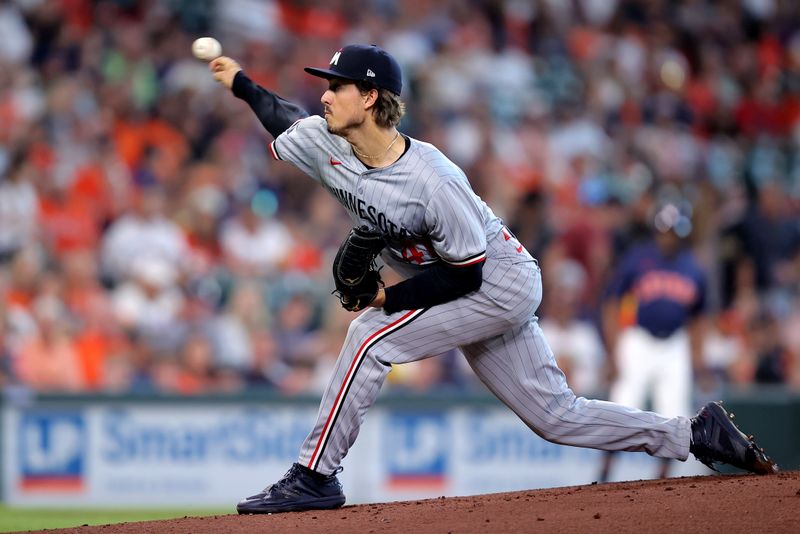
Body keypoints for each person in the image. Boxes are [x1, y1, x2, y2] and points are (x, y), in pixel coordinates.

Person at [207, 44, 776, 515]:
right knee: (556, 416)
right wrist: (239, 82)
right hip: (461, 281)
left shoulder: (432, 179)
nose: (325, 94)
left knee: (368, 337)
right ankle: (696, 435)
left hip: (495, 280)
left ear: (372, 97)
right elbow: (281, 115)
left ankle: (315, 475)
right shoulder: (328, 142)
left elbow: (464, 274)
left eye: (338, 85)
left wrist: (386, 296)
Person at [599, 201, 707, 481]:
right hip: (639, 341)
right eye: (665, 230)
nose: (669, 236)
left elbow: (698, 317)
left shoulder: (693, 266)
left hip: (674, 345)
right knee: (622, 407)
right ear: (657, 230)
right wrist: (612, 352)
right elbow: (611, 304)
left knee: (676, 417)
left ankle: (663, 480)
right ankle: (605, 473)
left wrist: (697, 356)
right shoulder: (638, 258)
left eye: (675, 231)